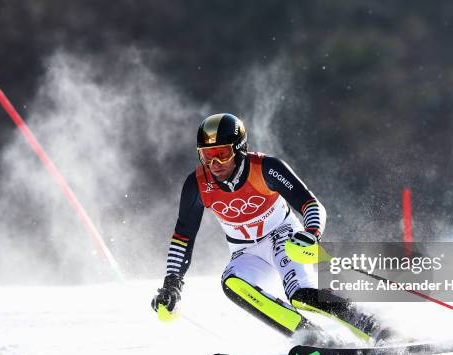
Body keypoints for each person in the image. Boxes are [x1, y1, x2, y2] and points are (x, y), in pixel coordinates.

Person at [151, 113, 384, 341]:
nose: (214, 164)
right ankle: (309, 336)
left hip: (284, 239)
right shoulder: (197, 184)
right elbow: (183, 237)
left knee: (301, 296)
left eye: (222, 154)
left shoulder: (265, 168)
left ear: (239, 148)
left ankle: (370, 325)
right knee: (233, 283)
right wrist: (172, 285)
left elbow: (311, 205)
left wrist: (311, 234)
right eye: (206, 155)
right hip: (246, 252)